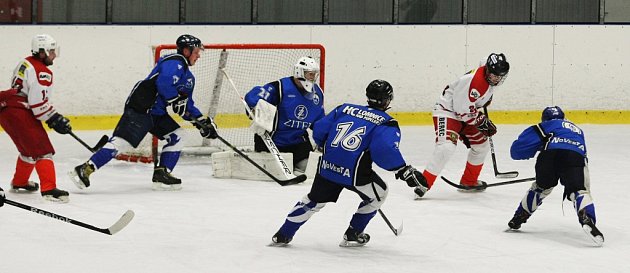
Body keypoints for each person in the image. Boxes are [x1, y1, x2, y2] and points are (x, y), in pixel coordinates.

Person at [270, 80, 428, 247]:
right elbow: (384, 150)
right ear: (388, 100)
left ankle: (283, 234)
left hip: (327, 167)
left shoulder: (344, 108)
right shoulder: (386, 122)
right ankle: (353, 234)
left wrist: (329, 149)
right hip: (355, 174)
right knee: (379, 194)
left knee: (313, 200)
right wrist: (404, 170)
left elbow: (320, 129)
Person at [69, 34, 218, 191]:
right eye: (196, 51)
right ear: (186, 51)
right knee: (122, 143)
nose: (199, 56)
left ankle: (162, 174)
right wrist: (175, 99)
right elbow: (164, 84)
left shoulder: (188, 77)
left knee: (178, 136)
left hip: (157, 113)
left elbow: (185, 105)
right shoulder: (174, 62)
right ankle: (84, 170)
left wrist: (202, 123)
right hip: (141, 108)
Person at [507, 106, 604, 246]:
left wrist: (538, 149)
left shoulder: (545, 125)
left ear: (544, 118)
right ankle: (586, 217)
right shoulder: (577, 129)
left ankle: (519, 217)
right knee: (579, 190)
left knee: (540, 188)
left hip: (549, 156)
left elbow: (517, 151)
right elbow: (581, 152)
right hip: (575, 157)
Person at [417, 53, 509, 197]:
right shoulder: (476, 83)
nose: (496, 80)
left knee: (482, 145)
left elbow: (484, 59)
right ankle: (423, 184)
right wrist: (481, 121)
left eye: (499, 77)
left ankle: (469, 181)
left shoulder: (487, 69)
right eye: (494, 76)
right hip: (448, 111)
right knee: (446, 148)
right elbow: (462, 112)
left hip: (465, 111)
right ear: (487, 71)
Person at [0, 34, 71, 203]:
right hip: (19, 112)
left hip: (5, 109)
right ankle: (49, 189)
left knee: (28, 150)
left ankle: (20, 182)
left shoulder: (25, 62)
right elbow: (37, 105)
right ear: (41, 52)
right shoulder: (42, 72)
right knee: (43, 150)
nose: (54, 55)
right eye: (51, 51)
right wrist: (55, 118)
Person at [243, 56, 325, 173]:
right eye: (310, 74)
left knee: (309, 170)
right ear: (299, 72)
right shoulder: (280, 87)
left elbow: (319, 121)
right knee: (273, 172)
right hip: (271, 141)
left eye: (314, 74)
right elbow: (255, 96)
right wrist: (255, 108)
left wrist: (324, 139)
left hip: (298, 142)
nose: (313, 78)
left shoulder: (318, 93)